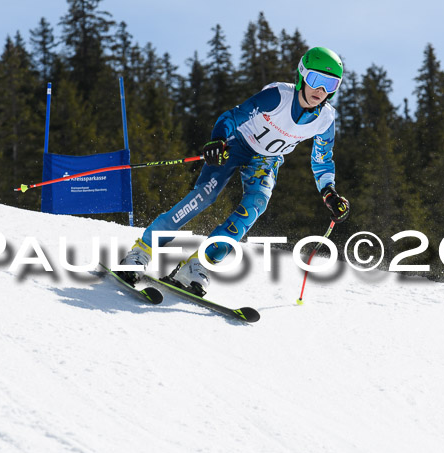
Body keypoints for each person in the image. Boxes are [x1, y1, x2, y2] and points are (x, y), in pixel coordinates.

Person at [115, 46, 350, 296]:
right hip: (237, 144)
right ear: (302, 75)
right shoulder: (278, 96)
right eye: (316, 80)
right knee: (204, 196)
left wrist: (330, 193)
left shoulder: (325, 120)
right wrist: (218, 140)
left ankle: (198, 265)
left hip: (266, 160)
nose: (321, 91)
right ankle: (142, 251)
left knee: (255, 205)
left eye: (330, 84)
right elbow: (232, 117)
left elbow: (322, 160)